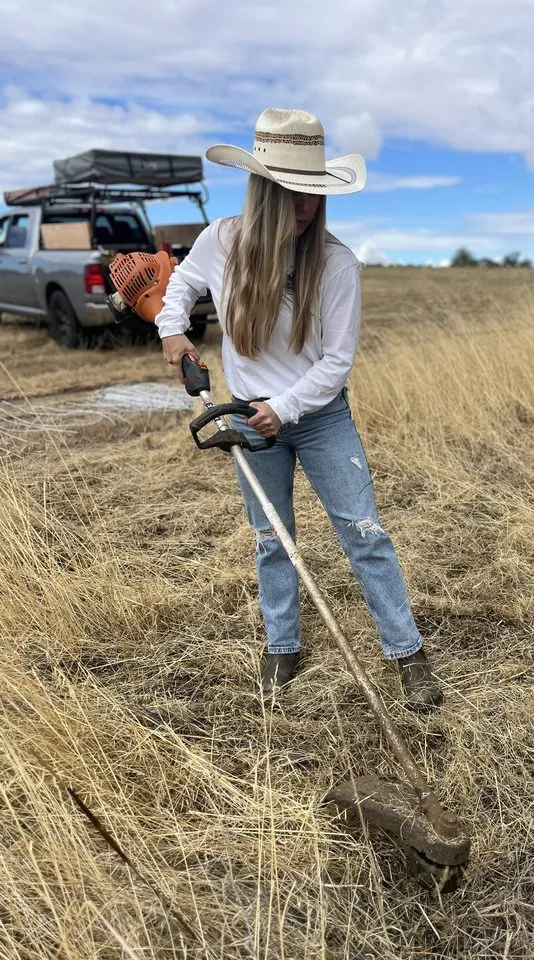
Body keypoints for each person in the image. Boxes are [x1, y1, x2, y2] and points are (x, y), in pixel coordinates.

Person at [155, 107, 442, 712]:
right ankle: (282, 645)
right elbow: (179, 285)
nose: (303, 204)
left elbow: (336, 362)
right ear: (261, 189)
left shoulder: (336, 264)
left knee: (364, 534)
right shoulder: (222, 241)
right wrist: (172, 329)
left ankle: (407, 652)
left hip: (318, 419)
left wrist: (282, 409)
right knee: (272, 538)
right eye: (288, 190)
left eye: (311, 191)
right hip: (245, 418)